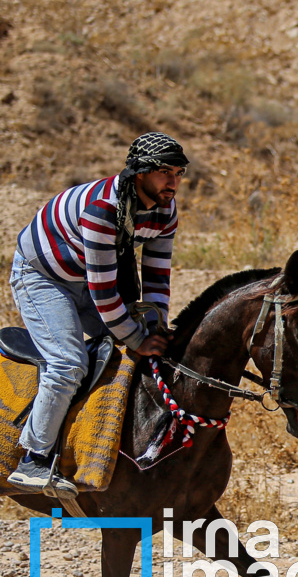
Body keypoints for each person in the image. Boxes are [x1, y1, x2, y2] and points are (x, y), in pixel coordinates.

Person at [7, 132, 185, 493]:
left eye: (179, 172)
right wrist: (138, 338)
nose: (174, 181)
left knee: (136, 341)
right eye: (165, 171)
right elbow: (104, 293)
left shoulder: (166, 210)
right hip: (42, 276)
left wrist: (156, 327)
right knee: (68, 363)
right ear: (139, 173)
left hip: (86, 278)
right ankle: (33, 458)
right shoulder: (102, 209)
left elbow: (156, 279)